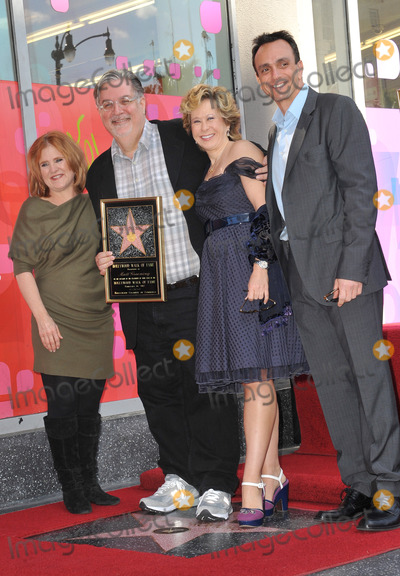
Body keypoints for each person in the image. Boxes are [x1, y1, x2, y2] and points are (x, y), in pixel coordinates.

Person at [252, 30, 400, 531]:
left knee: (369, 379)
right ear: (260, 79)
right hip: (300, 275)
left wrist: (352, 268)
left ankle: (391, 487)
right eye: (266, 69)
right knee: (334, 384)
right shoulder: (276, 132)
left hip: (346, 273)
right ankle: (360, 484)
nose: (276, 75)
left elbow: (360, 191)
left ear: (299, 66)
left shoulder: (335, 111)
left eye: (283, 64)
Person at [86, 69, 247, 522]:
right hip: (139, 301)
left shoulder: (182, 137)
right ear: (99, 112)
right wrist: (104, 258)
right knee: (158, 392)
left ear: (142, 102)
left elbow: (227, 155)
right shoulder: (99, 172)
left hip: (194, 290)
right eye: (107, 104)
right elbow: (107, 235)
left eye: (125, 100)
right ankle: (179, 479)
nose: (117, 110)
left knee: (205, 389)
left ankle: (217, 482)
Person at [179, 84, 308, 527]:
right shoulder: (210, 164)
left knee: (257, 380)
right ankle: (273, 475)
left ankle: (251, 482)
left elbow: (265, 213)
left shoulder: (244, 150)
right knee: (257, 376)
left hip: (252, 272)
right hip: (224, 276)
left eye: (211, 118)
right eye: (196, 121)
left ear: (227, 119)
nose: (204, 127)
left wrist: (260, 266)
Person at [9, 131, 119, 514]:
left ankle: (90, 482)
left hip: (95, 319)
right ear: (37, 172)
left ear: (73, 162)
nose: (53, 168)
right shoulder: (32, 210)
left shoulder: (95, 205)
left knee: (88, 406)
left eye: (58, 159)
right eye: (44, 164)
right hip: (53, 319)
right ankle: (71, 486)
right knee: (63, 404)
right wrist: (42, 319)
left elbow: (114, 253)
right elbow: (22, 268)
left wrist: (106, 261)